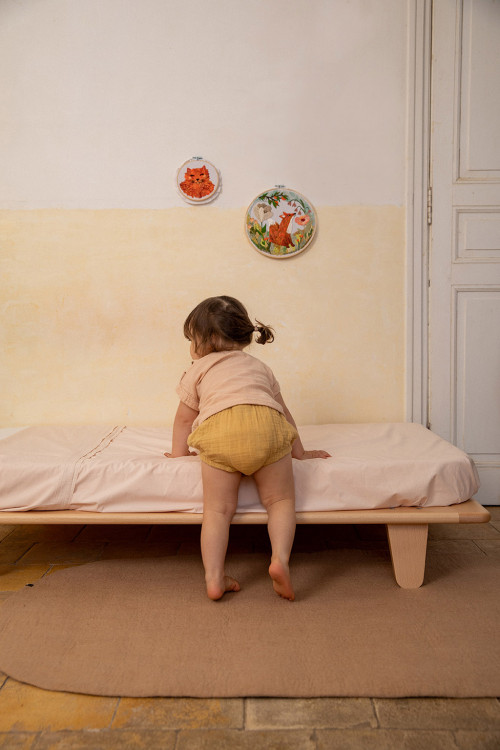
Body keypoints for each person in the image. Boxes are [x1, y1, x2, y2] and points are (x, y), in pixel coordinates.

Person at [164, 296, 331, 601]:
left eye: (192, 339)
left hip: (220, 433)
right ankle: (280, 560)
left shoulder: (197, 369)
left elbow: (183, 419)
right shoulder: (259, 366)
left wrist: (178, 454)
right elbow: (283, 412)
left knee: (217, 510)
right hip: (268, 429)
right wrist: (300, 453)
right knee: (280, 501)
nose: (190, 346)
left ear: (209, 340)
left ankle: (214, 579)